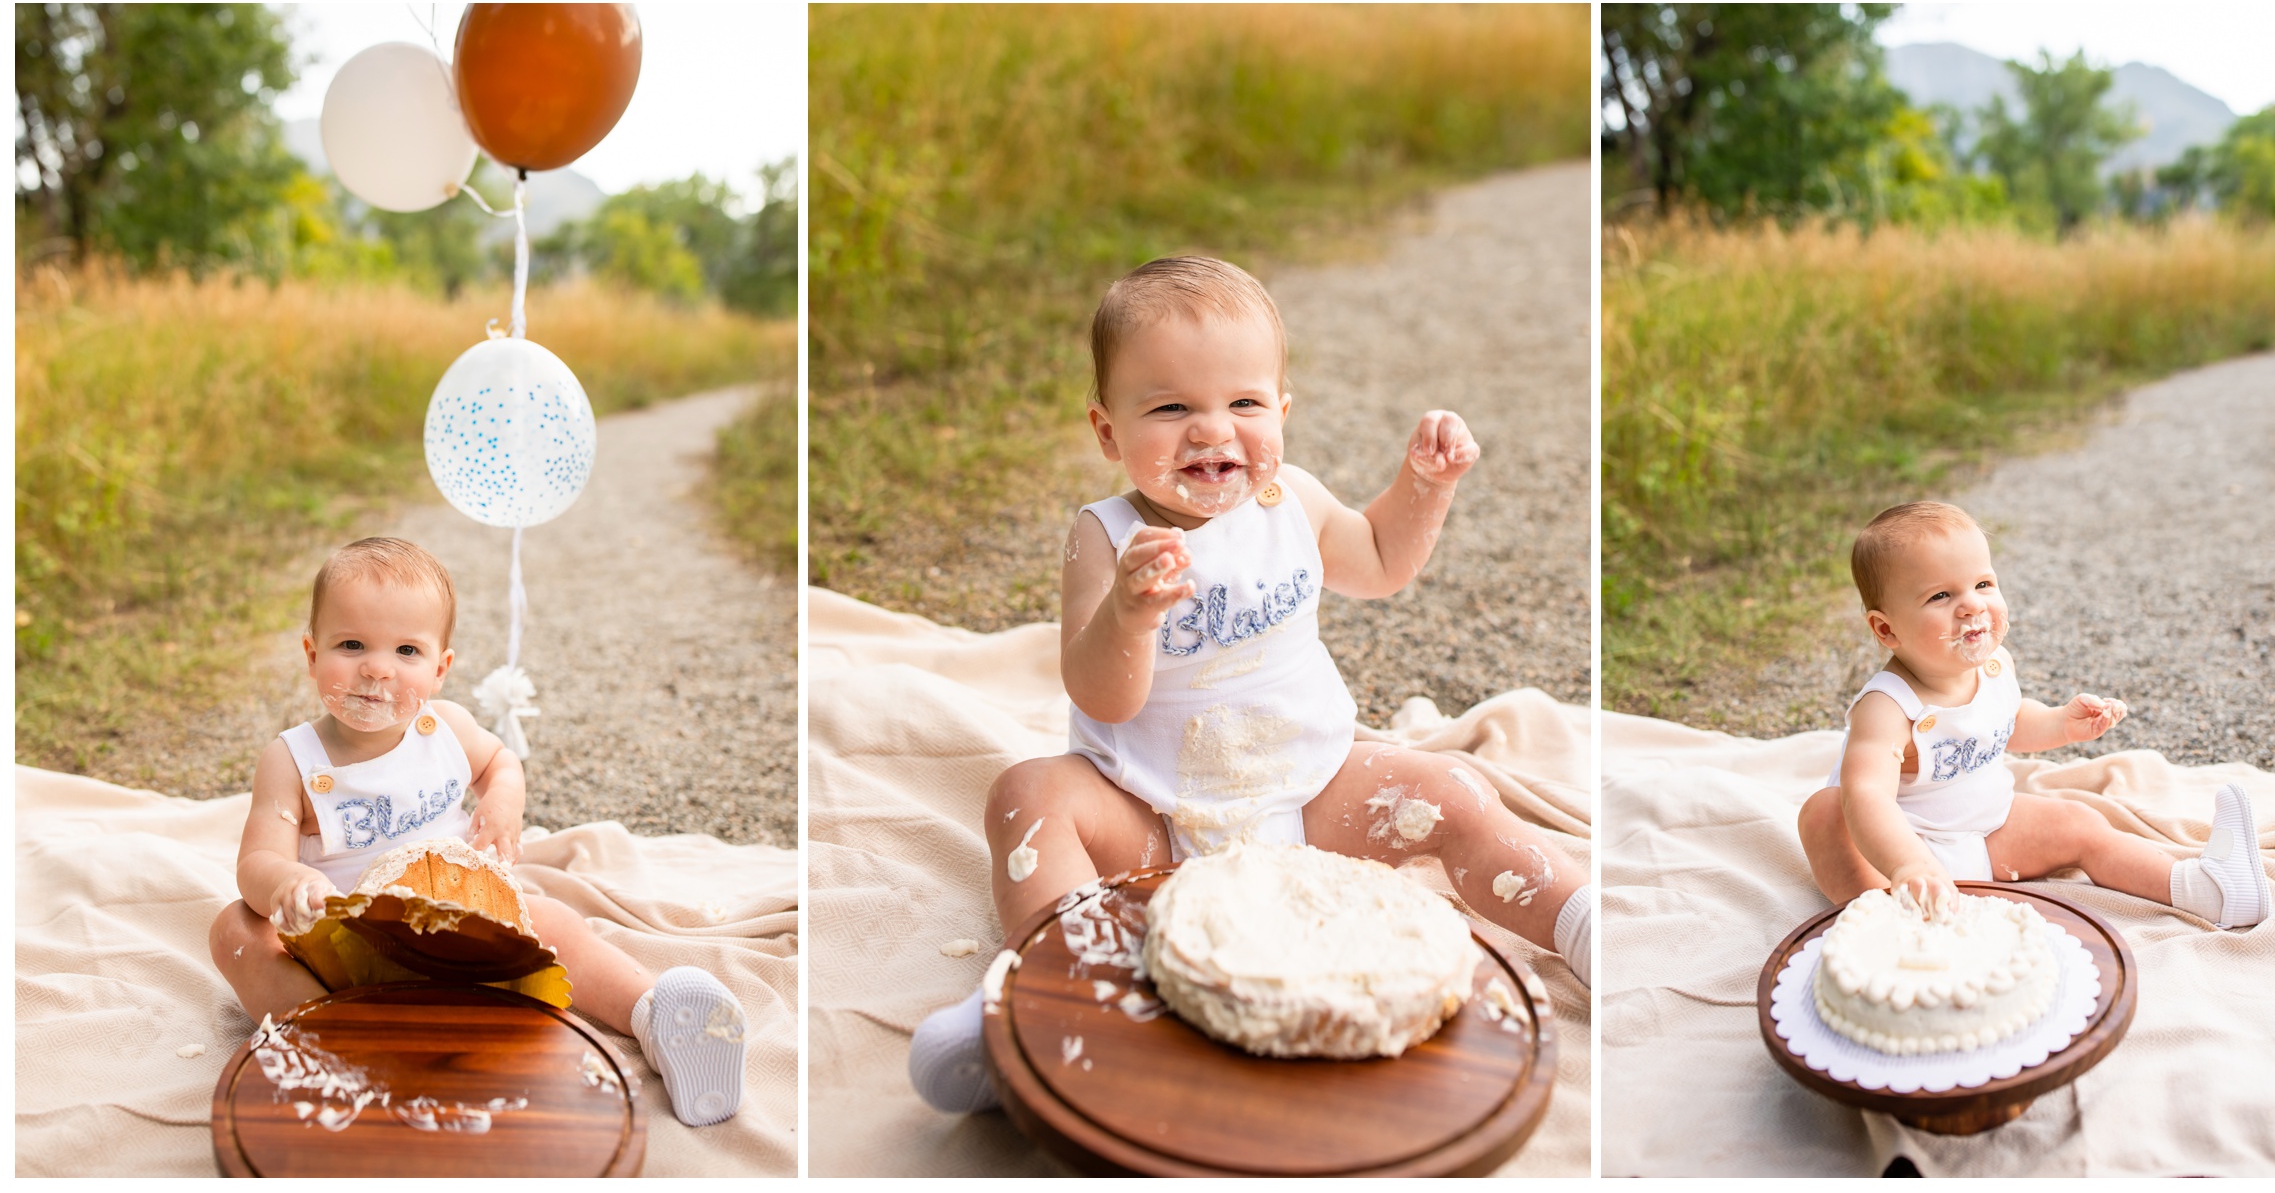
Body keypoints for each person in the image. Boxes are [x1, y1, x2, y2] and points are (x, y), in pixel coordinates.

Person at [908, 255, 1590, 1113]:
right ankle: (1037, 994)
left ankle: (1582, 922)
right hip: (1152, 817)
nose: (1211, 431)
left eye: (1243, 403)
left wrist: (1424, 485)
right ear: (1108, 431)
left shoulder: (1290, 502)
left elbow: (1379, 560)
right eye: (1169, 408)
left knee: (1454, 790)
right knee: (1027, 793)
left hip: (1309, 793)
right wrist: (1128, 613)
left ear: (1282, 411)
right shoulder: (1106, 538)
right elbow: (1100, 697)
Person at [207, 536, 748, 1127]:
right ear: (312, 655)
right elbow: (256, 862)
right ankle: (330, 1039)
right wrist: (286, 882)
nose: (377, 667)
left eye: (407, 650)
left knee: (555, 923)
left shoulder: (448, 729)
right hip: (345, 955)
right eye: (351, 644)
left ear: (440, 669)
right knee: (235, 927)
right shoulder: (293, 761)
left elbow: (500, 764)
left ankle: (654, 1014)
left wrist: (502, 804)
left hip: (467, 924)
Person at [1797, 501, 2270, 929]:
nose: (1971, 606)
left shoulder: (1995, 665)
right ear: (1887, 629)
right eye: (1940, 597)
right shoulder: (1887, 706)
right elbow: (1868, 797)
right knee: (1825, 816)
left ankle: (2206, 890)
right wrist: (1908, 865)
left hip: (1991, 831)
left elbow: (2008, 722)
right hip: (1903, 852)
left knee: (2079, 824)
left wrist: (2061, 723)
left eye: (1983, 584)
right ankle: (1886, 918)